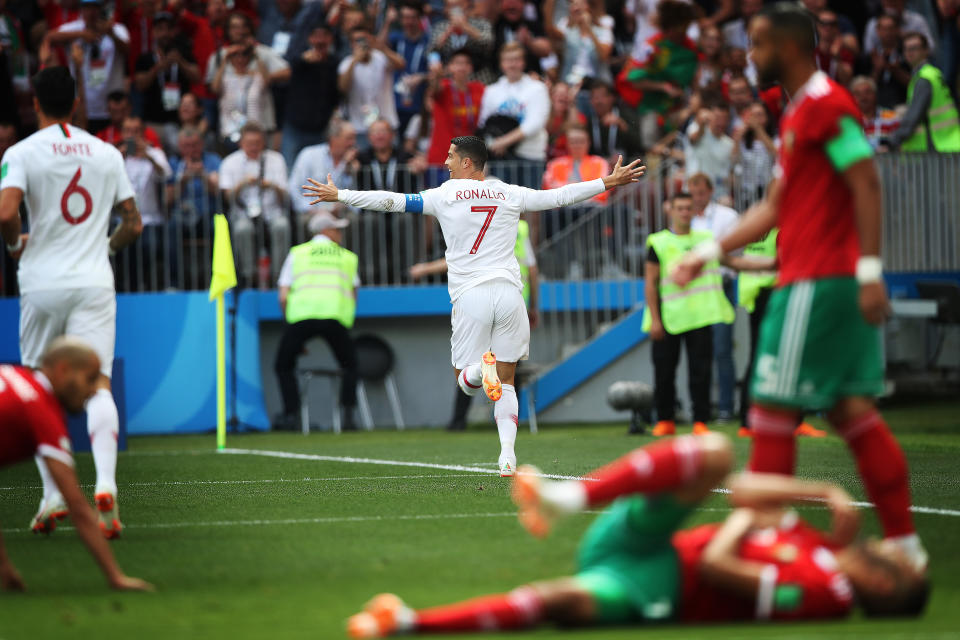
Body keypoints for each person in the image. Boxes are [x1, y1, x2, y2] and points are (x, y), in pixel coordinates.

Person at [672, 2, 929, 571]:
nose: (749, 55)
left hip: (817, 282)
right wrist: (708, 252)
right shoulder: (797, 114)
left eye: (757, 45)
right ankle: (905, 545)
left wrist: (868, 272)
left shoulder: (826, 106)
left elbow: (867, 183)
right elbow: (775, 206)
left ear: (786, 48)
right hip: (822, 280)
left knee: (769, 409)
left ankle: (770, 540)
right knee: (851, 411)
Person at [346, 433, 929, 637]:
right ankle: (567, 498)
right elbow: (742, 489)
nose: (889, 545)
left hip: (656, 585)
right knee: (716, 453)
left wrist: (746, 523)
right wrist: (818, 492)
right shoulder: (824, 551)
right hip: (647, 542)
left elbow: (719, 568)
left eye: (902, 561)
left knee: (560, 601)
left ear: (882, 584)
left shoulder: (828, 595)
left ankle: (408, 623)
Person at [302, 136, 644, 476]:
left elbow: (390, 201)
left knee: (466, 381)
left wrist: (341, 195)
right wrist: (607, 182)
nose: (446, 163)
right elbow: (559, 197)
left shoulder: (444, 195)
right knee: (507, 383)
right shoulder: (510, 192)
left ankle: (482, 370)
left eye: (451, 157)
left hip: (472, 296)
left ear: (468, 162)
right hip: (511, 296)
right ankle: (508, 456)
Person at [0, 66, 143, 538]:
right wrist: (107, 247)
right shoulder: (106, 152)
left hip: (41, 281)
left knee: (41, 389)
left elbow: (5, 212)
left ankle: (54, 494)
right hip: (93, 281)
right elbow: (133, 223)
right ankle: (104, 483)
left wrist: (14, 244)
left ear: (34, 103)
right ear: (77, 102)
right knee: (97, 381)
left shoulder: (20, 152)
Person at [0, 338, 152, 592]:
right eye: (91, 378)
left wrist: (4, 567)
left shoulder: (14, 376)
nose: (94, 390)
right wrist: (115, 577)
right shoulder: (39, 411)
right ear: (63, 370)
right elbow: (79, 508)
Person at [409, 218, 539, 432]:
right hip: (515, 302)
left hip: (482, 301)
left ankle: (458, 421)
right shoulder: (519, 225)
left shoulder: (479, 222)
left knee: (469, 361)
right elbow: (532, 269)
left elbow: (456, 261)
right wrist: (534, 305)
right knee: (510, 370)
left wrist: (424, 269)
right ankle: (511, 420)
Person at [642, 192, 733, 437]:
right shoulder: (658, 241)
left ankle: (700, 420)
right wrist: (655, 320)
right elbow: (651, 283)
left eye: (688, 208)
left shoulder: (706, 239)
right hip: (668, 316)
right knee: (664, 371)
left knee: (701, 371)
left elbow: (730, 263)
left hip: (700, 316)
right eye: (679, 208)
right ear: (670, 210)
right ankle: (665, 419)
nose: (684, 212)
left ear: (695, 211)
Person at [274, 210, 359, 432]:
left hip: (301, 317)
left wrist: (289, 326)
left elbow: (283, 295)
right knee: (351, 365)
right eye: (337, 229)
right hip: (335, 317)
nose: (340, 233)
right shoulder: (347, 257)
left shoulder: (297, 253)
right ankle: (348, 417)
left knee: (283, 365)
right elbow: (353, 292)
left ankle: (291, 416)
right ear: (326, 230)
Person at [687, 173, 738, 423]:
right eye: (693, 193)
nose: (697, 198)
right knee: (698, 352)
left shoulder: (727, 216)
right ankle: (701, 411)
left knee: (722, 350)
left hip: (721, 285)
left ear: (710, 192)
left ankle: (726, 408)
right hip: (696, 290)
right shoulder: (686, 220)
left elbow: (738, 247)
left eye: (701, 192)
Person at [219, 122, 290, 287]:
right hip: (242, 213)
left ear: (263, 142)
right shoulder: (230, 162)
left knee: (282, 225)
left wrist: (271, 186)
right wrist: (242, 184)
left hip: (272, 211)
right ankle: (248, 276)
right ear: (241, 143)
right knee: (243, 229)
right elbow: (227, 197)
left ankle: (278, 277)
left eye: (257, 143)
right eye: (249, 144)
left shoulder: (276, 159)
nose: (254, 147)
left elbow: (285, 196)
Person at [47, 0, 130, 134]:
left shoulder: (117, 29)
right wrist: (81, 35)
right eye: (87, 8)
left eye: (95, 8)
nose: (91, 12)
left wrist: (110, 33)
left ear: (101, 9)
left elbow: (127, 51)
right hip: (82, 109)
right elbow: (49, 37)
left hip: (111, 109)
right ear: (81, 10)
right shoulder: (75, 28)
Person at [478, 42, 550, 188]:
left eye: (516, 60)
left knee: (531, 205)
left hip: (530, 156)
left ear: (523, 62)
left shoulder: (537, 88)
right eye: (508, 60)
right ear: (501, 64)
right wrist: (492, 145)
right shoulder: (492, 90)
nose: (512, 64)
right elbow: (483, 123)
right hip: (500, 156)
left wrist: (504, 141)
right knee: (504, 205)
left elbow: (534, 123)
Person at [117, 115, 172, 291]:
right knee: (121, 250)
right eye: (128, 131)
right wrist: (120, 157)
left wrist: (148, 156)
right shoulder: (115, 156)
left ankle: (148, 289)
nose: (132, 136)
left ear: (143, 133)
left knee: (149, 247)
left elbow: (166, 175)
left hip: (150, 219)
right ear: (122, 133)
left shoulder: (155, 153)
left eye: (136, 132)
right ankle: (127, 290)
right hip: (122, 220)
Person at [132, 10, 200, 154]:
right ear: (153, 33)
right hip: (153, 122)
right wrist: (158, 68)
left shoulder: (183, 54)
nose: (164, 33)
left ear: (174, 31)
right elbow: (139, 85)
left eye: (168, 29)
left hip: (179, 122)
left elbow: (197, 77)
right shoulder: (146, 58)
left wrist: (180, 62)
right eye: (160, 29)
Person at [886, 32, 960, 153]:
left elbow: (913, 118)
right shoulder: (933, 73)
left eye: (914, 48)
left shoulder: (924, 79)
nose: (909, 53)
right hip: (949, 143)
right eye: (906, 49)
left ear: (926, 51)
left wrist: (892, 142)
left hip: (936, 147)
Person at [338, 26, 406, 150]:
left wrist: (381, 46)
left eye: (364, 39)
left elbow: (401, 64)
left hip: (386, 124)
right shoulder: (347, 63)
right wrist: (355, 61)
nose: (361, 43)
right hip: (360, 127)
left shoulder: (380, 57)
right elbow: (343, 87)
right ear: (351, 44)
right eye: (357, 40)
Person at [425, 49, 484, 182]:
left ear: (471, 68)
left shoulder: (478, 89)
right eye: (457, 63)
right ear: (450, 67)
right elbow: (434, 90)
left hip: (468, 162)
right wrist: (437, 76)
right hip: (441, 160)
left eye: (465, 63)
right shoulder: (444, 87)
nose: (462, 67)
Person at [288, 119, 357, 223]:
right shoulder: (309, 154)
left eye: (353, 138)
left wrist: (349, 169)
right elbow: (293, 187)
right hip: (311, 212)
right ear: (334, 139)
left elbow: (356, 195)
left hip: (341, 213)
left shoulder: (354, 161)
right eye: (349, 138)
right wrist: (311, 209)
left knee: (354, 220)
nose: (353, 143)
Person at [382, 1, 431, 136]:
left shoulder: (428, 41)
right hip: (394, 104)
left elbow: (440, 71)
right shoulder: (396, 38)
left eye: (412, 17)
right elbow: (379, 47)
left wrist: (422, 77)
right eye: (404, 17)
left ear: (420, 18)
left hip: (419, 104)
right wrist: (387, 23)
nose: (407, 22)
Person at [541, 125, 609, 204]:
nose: (577, 145)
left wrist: (568, 188)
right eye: (573, 142)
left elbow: (602, 190)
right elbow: (549, 189)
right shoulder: (555, 164)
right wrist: (585, 191)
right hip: (563, 209)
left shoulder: (599, 163)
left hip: (592, 208)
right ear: (567, 144)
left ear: (588, 143)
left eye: (581, 141)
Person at [684, 101, 735, 201]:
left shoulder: (730, 144)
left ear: (728, 120)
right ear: (710, 117)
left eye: (724, 118)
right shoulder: (696, 129)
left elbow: (730, 170)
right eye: (717, 117)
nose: (720, 122)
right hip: (693, 191)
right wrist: (702, 125)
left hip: (718, 194)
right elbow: (693, 140)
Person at [585, 81, 641, 165]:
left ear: (612, 98)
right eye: (595, 97)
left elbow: (639, 144)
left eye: (603, 96)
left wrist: (621, 124)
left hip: (626, 167)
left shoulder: (625, 115)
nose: (599, 101)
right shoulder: (589, 121)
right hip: (599, 168)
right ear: (591, 101)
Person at [851, 76, 901, 151]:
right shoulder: (848, 121)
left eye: (867, 92)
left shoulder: (891, 118)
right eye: (857, 94)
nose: (863, 97)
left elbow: (900, 146)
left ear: (875, 94)